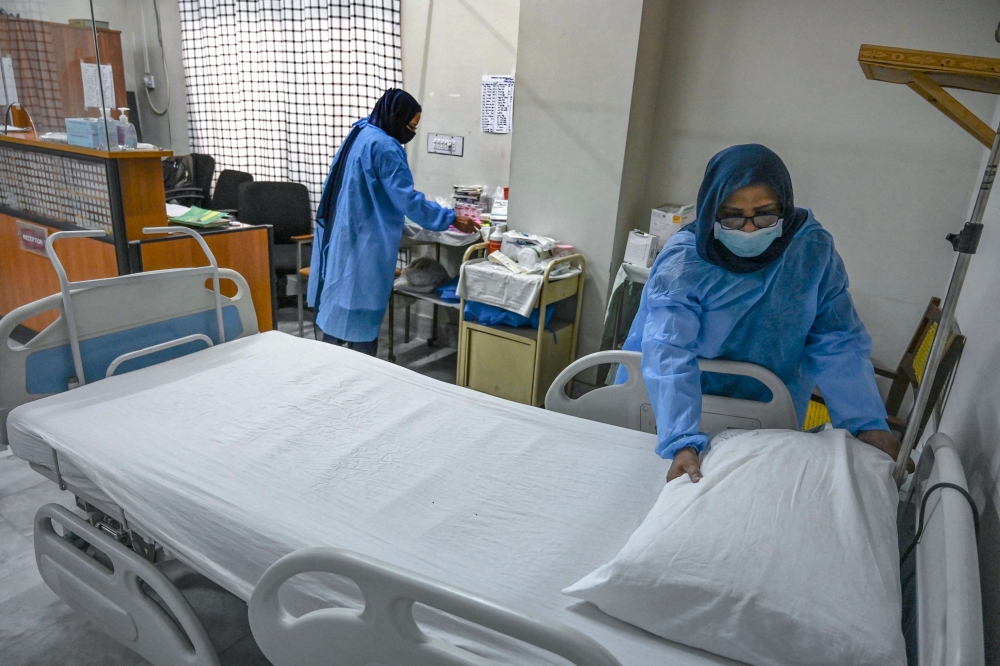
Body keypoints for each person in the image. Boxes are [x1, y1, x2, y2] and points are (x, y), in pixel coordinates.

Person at [620, 144, 906, 483]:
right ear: (711, 210)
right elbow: (669, 351)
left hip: (769, 402)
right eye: (732, 215)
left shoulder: (810, 251)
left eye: (765, 214)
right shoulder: (687, 261)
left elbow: (837, 340)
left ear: (785, 206)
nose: (750, 229)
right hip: (675, 403)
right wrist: (680, 439)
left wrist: (867, 422)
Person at [307, 89, 478, 355]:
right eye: (410, 125)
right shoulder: (385, 146)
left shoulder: (361, 132)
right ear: (396, 117)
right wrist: (450, 217)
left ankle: (328, 369)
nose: (411, 131)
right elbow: (407, 199)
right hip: (365, 243)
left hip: (343, 232)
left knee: (338, 307)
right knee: (361, 316)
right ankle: (362, 376)